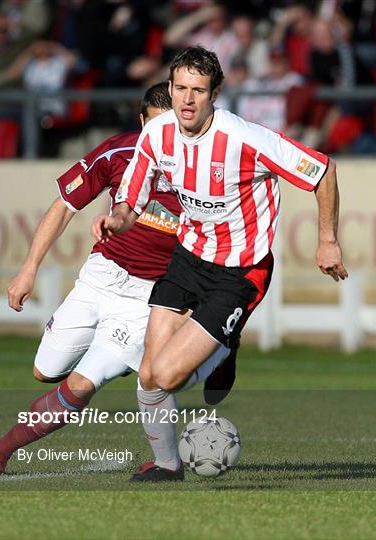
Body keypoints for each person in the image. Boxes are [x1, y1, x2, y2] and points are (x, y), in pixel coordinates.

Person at [92, 46, 348, 481]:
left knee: (168, 377)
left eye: (198, 90)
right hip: (188, 259)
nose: (187, 100)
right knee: (149, 374)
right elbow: (131, 199)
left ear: (215, 94)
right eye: (180, 89)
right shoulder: (157, 135)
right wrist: (116, 219)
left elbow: (322, 171)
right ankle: (168, 466)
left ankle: (223, 350)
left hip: (240, 271)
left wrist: (327, 241)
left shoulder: (245, 139)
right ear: (169, 89)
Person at [0, 82, 232, 480]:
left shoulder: (205, 169)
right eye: (154, 128)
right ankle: (209, 350)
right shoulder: (118, 152)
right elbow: (64, 207)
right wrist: (29, 269)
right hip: (99, 277)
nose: (163, 139)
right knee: (46, 371)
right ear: (141, 123)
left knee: (83, 383)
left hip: (151, 297)